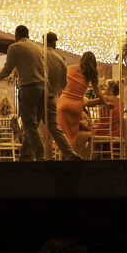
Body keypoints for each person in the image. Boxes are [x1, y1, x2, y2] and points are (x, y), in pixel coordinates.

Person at [0, 25, 48, 160]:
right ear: (28, 35)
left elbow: (7, 68)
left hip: (29, 87)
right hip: (43, 88)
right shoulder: (38, 48)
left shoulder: (15, 47)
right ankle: (25, 156)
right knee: (33, 125)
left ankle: (40, 155)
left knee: (29, 125)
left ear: (16, 35)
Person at [57, 51, 112, 158]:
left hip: (64, 103)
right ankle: (69, 159)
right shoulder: (90, 74)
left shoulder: (69, 68)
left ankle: (62, 159)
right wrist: (106, 102)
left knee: (63, 136)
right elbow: (98, 91)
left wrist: (61, 95)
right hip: (76, 107)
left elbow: (60, 86)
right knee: (72, 136)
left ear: (82, 59)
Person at [43, 32, 83, 160]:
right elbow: (63, 84)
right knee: (54, 129)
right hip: (52, 97)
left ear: (44, 41)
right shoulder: (60, 59)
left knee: (40, 131)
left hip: (39, 96)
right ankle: (69, 154)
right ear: (54, 43)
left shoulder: (39, 55)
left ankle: (43, 159)